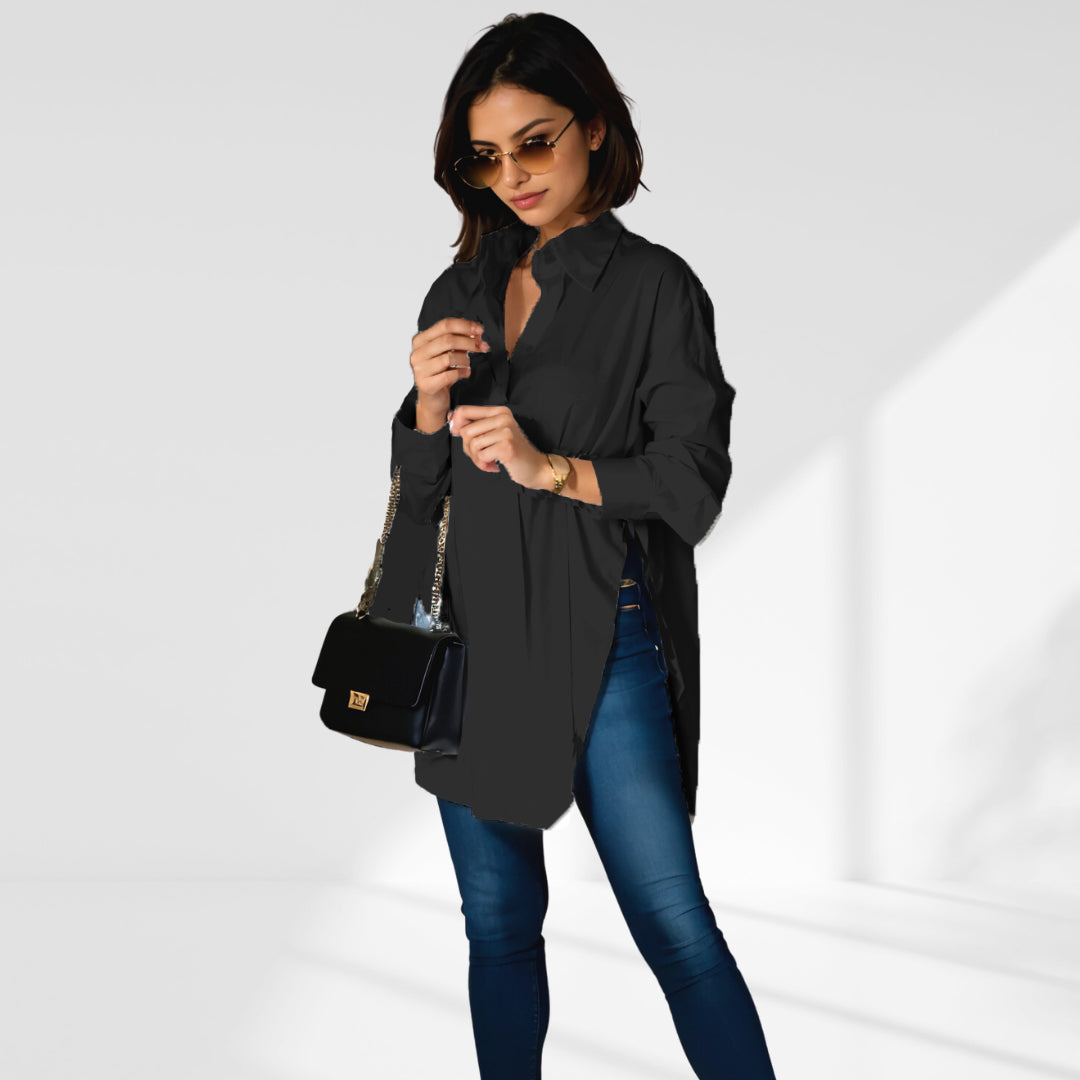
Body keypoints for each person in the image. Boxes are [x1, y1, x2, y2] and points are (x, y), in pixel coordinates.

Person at [381, 12, 779, 1080]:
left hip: (603, 632)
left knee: (674, 925)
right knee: (498, 924)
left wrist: (551, 466)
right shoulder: (460, 292)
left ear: (595, 127)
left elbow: (690, 485)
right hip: (470, 648)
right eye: (485, 156)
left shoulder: (655, 289)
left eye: (535, 142)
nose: (511, 176)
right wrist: (427, 409)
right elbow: (418, 502)